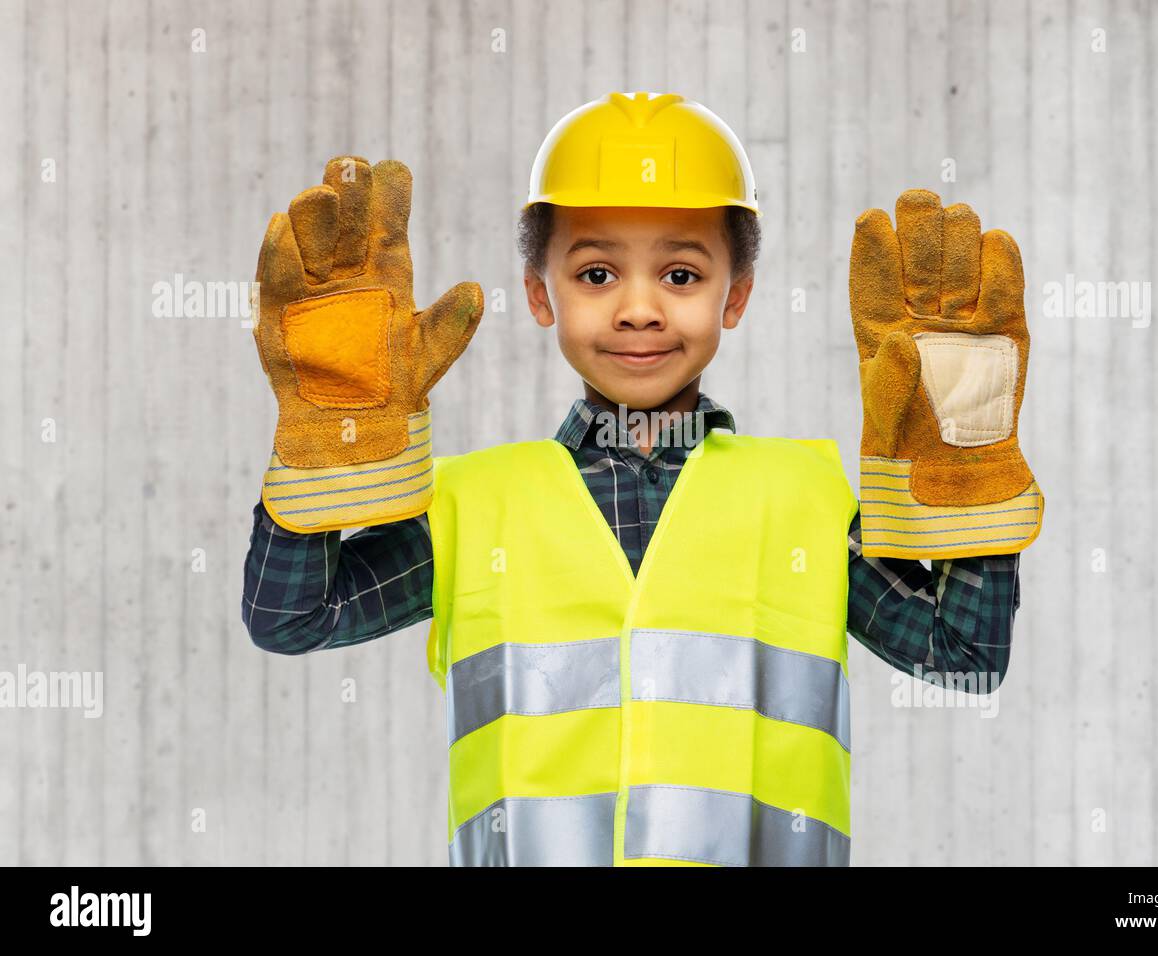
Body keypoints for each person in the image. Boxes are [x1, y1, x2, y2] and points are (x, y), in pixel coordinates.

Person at [241, 91, 1042, 866]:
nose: (638, 309)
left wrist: (963, 469)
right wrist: (330, 445)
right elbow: (292, 618)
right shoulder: (469, 505)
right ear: (538, 293)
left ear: (739, 296)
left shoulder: (806, 499)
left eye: (682, 276)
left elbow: (962, 656)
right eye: (595, 275)